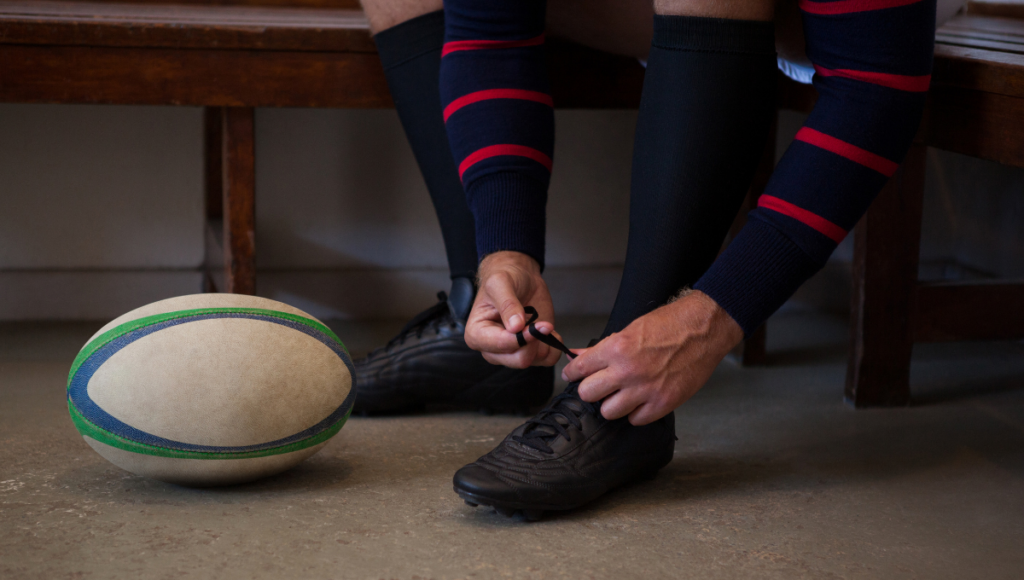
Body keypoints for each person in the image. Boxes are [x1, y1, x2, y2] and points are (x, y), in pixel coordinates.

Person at [356, 0, 938, 518]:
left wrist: (710, 318)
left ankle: (623, 397)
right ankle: (479, 311)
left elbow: (877, 84)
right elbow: (487, 30)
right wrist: (504, 253)